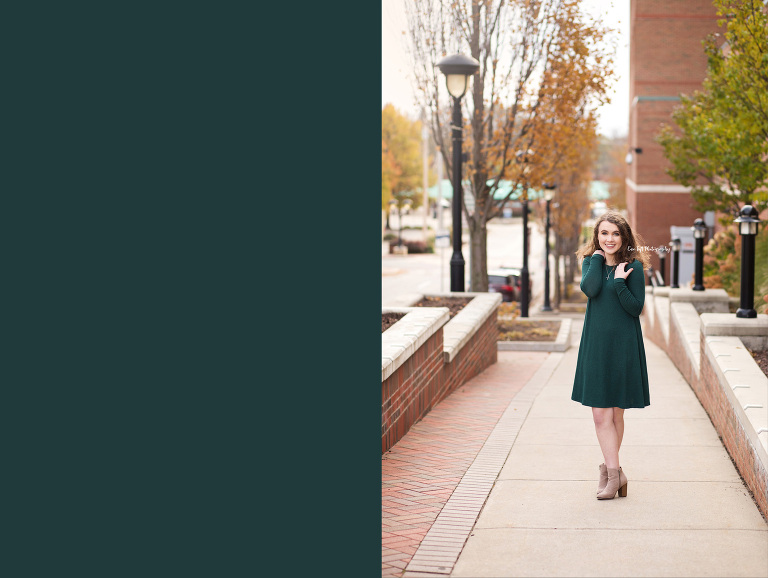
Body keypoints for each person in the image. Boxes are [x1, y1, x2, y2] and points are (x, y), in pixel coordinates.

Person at [571, 211, 651, 500]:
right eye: (604, 233)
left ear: (624, 237)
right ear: (597, 236)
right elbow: (589, 290)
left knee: (616, 413)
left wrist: (619, 282)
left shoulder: (634, 268)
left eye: (615, 234)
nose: (609, 239)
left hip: (624, 346)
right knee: (599, 414)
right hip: (595, 344)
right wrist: (596, 260)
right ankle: (615, 474)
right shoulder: (590, 264)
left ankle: (611, 473)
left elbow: (635, 309)